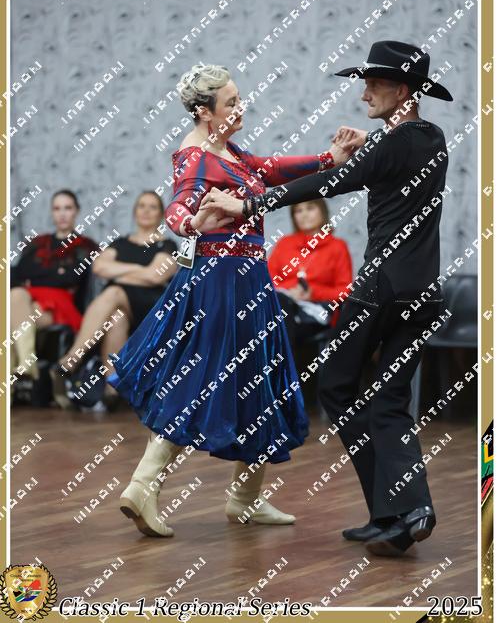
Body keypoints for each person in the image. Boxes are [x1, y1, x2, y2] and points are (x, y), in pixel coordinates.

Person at [201, 41, 453, 557]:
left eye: (374, 84)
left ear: (403, 91)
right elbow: (389, 158)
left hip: (379, 290)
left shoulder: (393, 144)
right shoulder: (433, 139)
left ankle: (392, 509)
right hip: (425, 293)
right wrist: (373, 143)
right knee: (390, 401)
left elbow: (327, 182)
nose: (364, 94)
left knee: (337, 387)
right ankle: (406, 512)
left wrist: (247, 204)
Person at [106, 63, 341, 538]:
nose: (240, 107)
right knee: (203, 380)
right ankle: (144, 485)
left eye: (238, 98)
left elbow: (271, 169)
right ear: (204, 112)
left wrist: (328, 158)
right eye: (231, 102)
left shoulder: (230, 152)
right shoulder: (195, 154)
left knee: (257, 379)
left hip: (246, 279)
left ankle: (244, 499)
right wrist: (191, 223)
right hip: (222, 281)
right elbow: (179, 206)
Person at [49, 191, 178, 411]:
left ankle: (70, 360)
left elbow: (156, 276)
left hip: (150, 307)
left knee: (114, 292)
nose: (146, 211)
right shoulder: (120, 243)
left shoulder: (167, 245)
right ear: (134, 211)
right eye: (141, 206)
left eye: (152, 207)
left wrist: (119, 273)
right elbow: (99, 268)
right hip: (118, 306)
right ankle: (112, 388)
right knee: (116, 318)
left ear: (161, 214)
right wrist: (140, 271)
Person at [10, 190, 99, 382]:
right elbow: (18, 272)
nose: (62, 214)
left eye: (68, 208)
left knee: (10, 314)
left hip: (61, 305)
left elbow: (71, 277)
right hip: (27, 301)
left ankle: (13, 379)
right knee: (16, 296)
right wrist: (55, 272)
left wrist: (37, 274)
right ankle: (25, 365)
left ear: (76, 211)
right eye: (57, 209)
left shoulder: (86, 245)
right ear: (51, 212)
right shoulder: (37, 243)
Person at [267, 199, 353, 343]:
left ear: (322, 211)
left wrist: (313, 293)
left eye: (310, 208)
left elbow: (345, 290)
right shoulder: (284, 243)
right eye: (298, 211)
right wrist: (291, 292)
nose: (304, 214)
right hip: (284, 305)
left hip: (317, 311)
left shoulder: (337, 247)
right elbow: (269, 280)